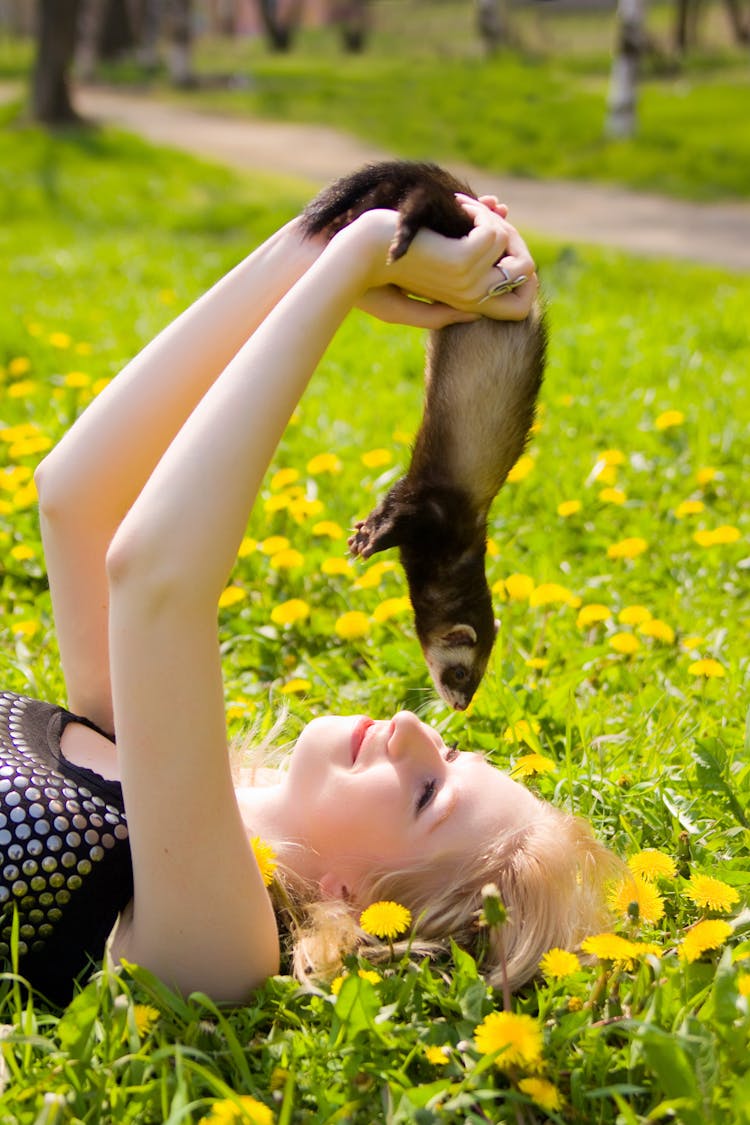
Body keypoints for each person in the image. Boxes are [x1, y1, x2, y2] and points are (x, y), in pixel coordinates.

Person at [1, 194, 618, 1007]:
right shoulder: (142, 767)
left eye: (429, 794)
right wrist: (323, 248)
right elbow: (76, 496)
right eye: (456, 752)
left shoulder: (219, 945)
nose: (414, 731)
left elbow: (154, 579)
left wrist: (360, 256)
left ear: (369, 906)